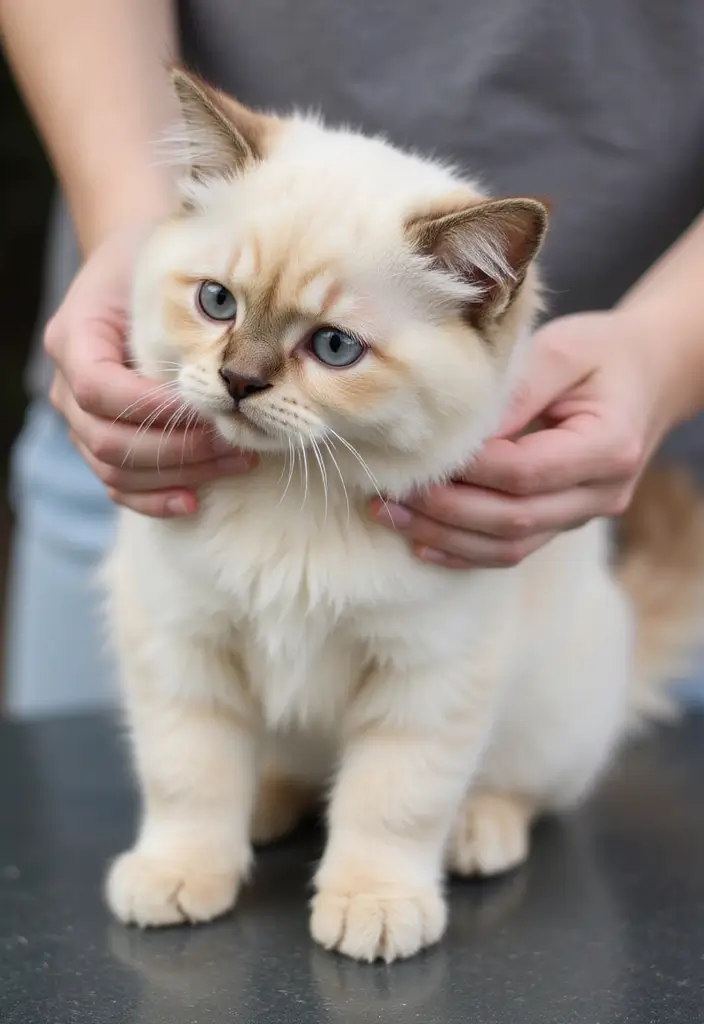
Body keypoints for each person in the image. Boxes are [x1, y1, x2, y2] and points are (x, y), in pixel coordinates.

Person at [1, 1, 703, 716]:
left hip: (529, 483)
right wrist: (133, 227)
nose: (244, 375)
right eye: (219, 302)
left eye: (331, 343)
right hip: (146, 428)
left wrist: (669, 346)